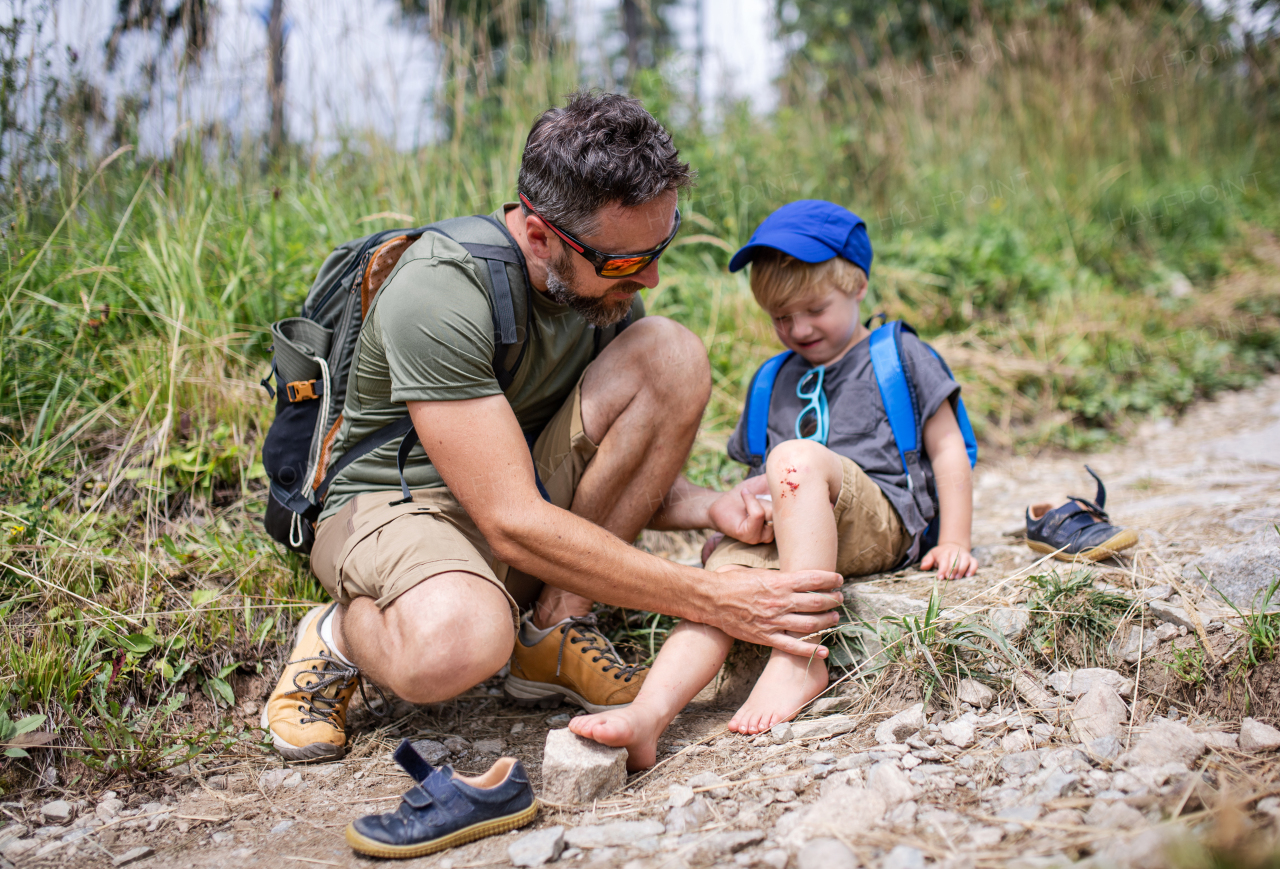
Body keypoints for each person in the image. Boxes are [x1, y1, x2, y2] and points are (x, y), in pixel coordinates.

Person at [262, 95, 845, 763]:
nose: (650, 275)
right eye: (627, 262)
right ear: (540, 237)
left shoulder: (602, 283)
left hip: (512, 487)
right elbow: (511, 518)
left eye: (662, 245)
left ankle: (551, 630)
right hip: (395, 503)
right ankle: (337, 636)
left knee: (671, 354)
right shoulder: (439, 289)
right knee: (460, 638)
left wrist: (709, 506)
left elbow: (602, 459)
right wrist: (712, 596)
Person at [570, 200, 978, 769]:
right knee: (716, 596)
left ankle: (801, 656)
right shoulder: (774, 377)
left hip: (878, 517)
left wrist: (953, 538)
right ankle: (648, 716)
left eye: (814, 309)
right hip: (796, 531)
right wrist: (746, 520)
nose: (799, 329)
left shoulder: (898, 354)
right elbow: (758, 478)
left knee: (795, 458)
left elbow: (948, 450)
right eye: (781, 317)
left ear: (857, 285)